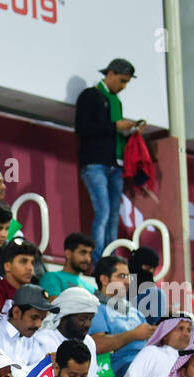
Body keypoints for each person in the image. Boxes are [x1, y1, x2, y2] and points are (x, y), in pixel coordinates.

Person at [75, 58, 141, 258]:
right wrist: (115, 127)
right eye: (122, 81)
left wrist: (129, 130)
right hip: (95, 163)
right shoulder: (90, 96)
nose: (123, 87)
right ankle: (99, 260)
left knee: (113, 216)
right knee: (103, 211)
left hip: (115, 164)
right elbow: (83, 128)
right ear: (110, 74)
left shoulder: (115, 102)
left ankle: (109, 258)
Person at [89, 254, 151, 377]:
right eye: (122, 276)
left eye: (128, 276)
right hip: (117, 372)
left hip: (144, 365)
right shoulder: (94, 308)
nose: (128, 281)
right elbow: (97, 344)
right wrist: (133, 334)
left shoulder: (134, 311)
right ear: (105, 280)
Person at [120, 314, 194, 377]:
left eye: (189, 330)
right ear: (165, 334)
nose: (186, 334)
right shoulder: (152, 352)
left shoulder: (188, 362)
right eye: (180, 329)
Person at [0, 283, 57, 369]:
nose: (39, 325)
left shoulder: (31, 338)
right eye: (34, 317)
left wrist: (44, 365)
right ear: (16, 312)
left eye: (42, 319)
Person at [0, 239, 39, 326]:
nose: (30, 268)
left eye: (32, 263)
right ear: (7, 266)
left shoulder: (32, 293)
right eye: (23, 262)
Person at [39, 232, 97, 298]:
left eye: (90, 254)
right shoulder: (52, 277)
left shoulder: (90, 287)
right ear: (68, 254)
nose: (88, 259)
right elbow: (54, 306)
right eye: (83, 252)